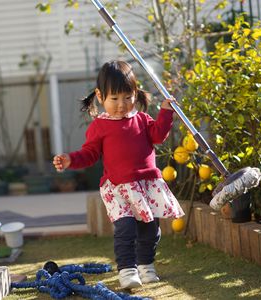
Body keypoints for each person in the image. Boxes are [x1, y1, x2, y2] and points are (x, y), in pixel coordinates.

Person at [53, 60, 184, 289]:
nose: (122, 104)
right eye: (114, 99)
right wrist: (71, 159)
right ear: (100, 96)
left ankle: (146, 265)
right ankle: (127, 270)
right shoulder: (100, 126)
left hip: (146, 184)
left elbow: (158, 136)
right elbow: (90, 153)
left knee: (150, 229)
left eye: (127, 97)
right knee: (126, 229)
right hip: (118, 187)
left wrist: (165, 112)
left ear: (135, 93)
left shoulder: (142, 120)